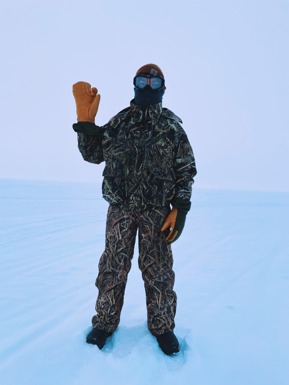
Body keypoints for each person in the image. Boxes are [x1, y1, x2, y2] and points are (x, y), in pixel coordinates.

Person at [72, 64, 197, 355]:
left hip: (157, 211)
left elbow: (185, 170)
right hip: (120, 209)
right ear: (134, 84)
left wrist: (181, 207)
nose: (148, 86)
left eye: (154, 82)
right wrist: (84, 122)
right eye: (143, 80)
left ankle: (163, 326)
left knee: (159, 272)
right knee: (113, 267)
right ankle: (104, 322)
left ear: (163, 88)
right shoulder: (120, 123)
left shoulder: (172, 127)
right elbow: (93, 154)